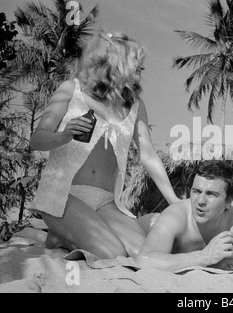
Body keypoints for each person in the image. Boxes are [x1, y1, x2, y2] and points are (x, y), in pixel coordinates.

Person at [30, 32, 181, 259]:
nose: (142, 69)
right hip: (63, 195)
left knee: (145, 255)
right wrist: (65, 135)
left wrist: (174, 201)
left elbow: (148, 155)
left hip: (106, 202)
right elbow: (37, 139)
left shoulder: (136, 106)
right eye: (136, 63)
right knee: (113, 253)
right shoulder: (71, 89)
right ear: (116, 63)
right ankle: (58, 236)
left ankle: (71, 235)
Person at [136, 160, 233, 276]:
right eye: (196, 191)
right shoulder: (175, 216)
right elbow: (144, 260)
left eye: (211, 194)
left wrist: (228, 256)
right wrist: (205, 257)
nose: (200, 201)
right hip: (146, 225)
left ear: (228, 201)